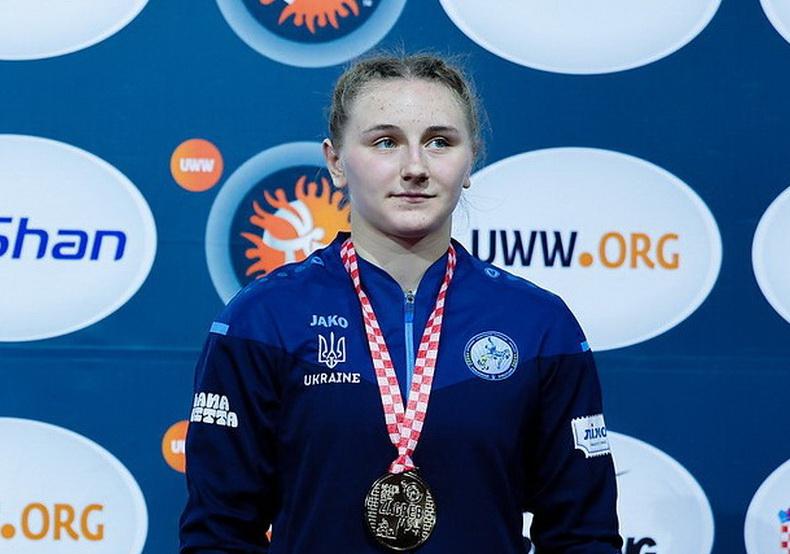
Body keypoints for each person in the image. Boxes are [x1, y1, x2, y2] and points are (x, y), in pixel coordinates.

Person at [180, 53, 622, 553]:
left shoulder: (540, 324)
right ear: (335, 162)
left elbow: (583, 535)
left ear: (470, 159)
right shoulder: (262, 320)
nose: (415, 167)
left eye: (440, 142)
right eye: (385, 142)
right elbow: (219, 533)